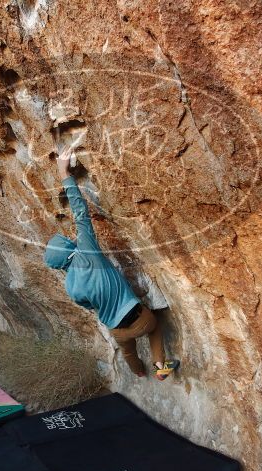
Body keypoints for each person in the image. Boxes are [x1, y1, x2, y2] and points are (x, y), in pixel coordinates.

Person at [44, 146, 180, 380]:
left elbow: (89, 305)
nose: (70, 238)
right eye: (67, 240)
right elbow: (80, 213)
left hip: (117, 330)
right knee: (154, 327)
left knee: (128, 351)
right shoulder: (87, 251)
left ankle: (138, 371)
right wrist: (64, 174)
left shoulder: (70, 287)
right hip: (139, 318)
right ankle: (159, 366)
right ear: (67, 250)